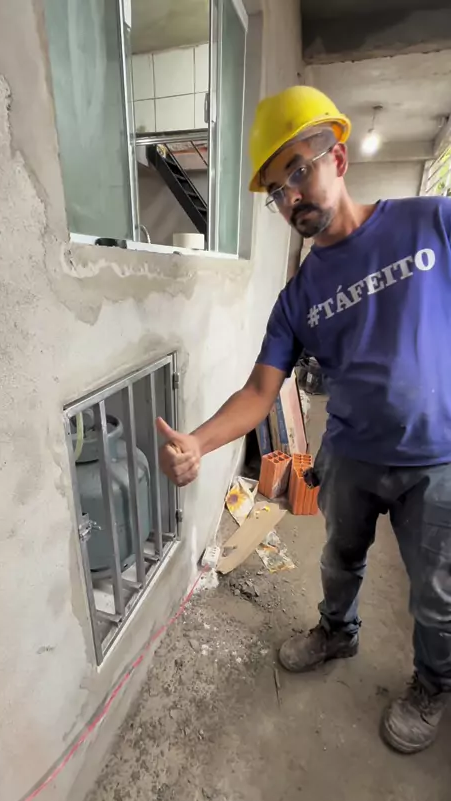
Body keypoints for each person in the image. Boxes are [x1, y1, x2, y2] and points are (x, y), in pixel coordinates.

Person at [157, 85, 451, 755]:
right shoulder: (298, 298)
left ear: (337, 159)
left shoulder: (431, 222)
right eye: (276, 190)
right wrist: (198, 442)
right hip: (349, 454)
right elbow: (260, 391)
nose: (290, 196)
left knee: (437, 595)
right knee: (339, 561)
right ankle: (337, 634)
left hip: (436, 459)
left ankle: (434, 684)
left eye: (297, 170)